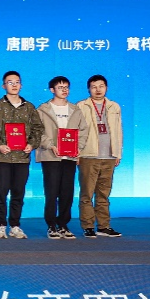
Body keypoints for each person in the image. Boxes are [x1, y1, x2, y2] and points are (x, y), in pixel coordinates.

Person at [0, 71, 43, 239]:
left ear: (21, 85)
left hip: (22, 158)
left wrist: (32, 144)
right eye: (10, 82)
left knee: (18, 193)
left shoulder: (29, 107)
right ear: (4, 86)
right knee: (1, 193)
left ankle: (15, 226)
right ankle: (1, 226)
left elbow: (38, 128)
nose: (14, 85)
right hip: (2, 157)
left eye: (17, 82)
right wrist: (0, 145)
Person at [36, 76, 91, 240]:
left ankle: (63, 224)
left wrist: (78, 147)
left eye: (66, 87)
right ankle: (51, 225)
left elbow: (83, 131)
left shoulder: (75, 110)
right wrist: (50, 145)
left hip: (70, 156)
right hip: (50, 155)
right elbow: (37, 131)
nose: (64, 90)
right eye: (60, 87)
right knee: (52, 192)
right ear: (52, 90)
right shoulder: (42, 110)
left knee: (67, 192)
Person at [76, 74, 124, 238]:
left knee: (104, 194)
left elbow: (119, 131)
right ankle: (88, 226)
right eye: (94, 87)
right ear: (89, 89)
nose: (98, 90)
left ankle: (104, 226)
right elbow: (75, 131)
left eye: (101, 86)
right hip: (88, 155)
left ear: (106, 88)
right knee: (87, 194)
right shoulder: (81, 106)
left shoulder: (114, 106)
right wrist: (77, 153)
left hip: (109, 156)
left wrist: (117, 153)